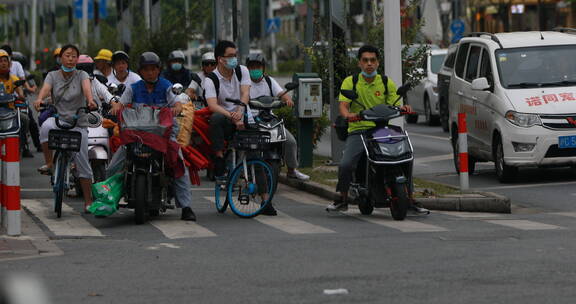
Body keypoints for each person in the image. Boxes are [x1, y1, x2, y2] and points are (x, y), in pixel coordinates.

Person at [326, 45, 418, 212]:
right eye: (365, 60)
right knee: (346, 164)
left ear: (378, 63)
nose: (369, 63)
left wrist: (405, 108)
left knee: (405, 156)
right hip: (359, 130)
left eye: (373, 60)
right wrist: (348, 115)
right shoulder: (351, 81)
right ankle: (343, 198)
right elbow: (343, 106)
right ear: (359, 63)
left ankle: (410, 198)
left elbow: (395, 104)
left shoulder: (385, 82)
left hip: (382, 130)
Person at [109, 51, 196, 221]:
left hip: (162, 135)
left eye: (153, 69)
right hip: (137, 134)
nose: (150, 72)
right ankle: (107, 199)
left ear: (159, 70)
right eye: (146, 69)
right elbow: (121, 104)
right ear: (140, 71)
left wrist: (177, 107)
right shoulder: (133, 88)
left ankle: (186, 207)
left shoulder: (166, 86)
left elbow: (176, 103)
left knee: (178, 165)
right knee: (113, 165)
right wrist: (116, 108)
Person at [33, 44, 98, 213]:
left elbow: (86, 89)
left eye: (74, 56)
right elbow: (46, 90)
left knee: (83, 162)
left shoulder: (82, 75)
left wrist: (90, 101)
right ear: (61, 58)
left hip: (78, 123)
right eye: (67, 55)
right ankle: (49, 163)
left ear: (77, 59)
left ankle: (88, 201)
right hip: (58, 119)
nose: (70, 59)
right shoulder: (52, 75)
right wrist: (39, 99)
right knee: (46, 127)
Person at [245, 53, 310, 183]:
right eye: (252, 67)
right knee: (245, 145)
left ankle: (291, 171)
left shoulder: (269, 81)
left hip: (269, 119)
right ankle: (239, 172)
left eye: (258, 66)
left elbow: (282, 94)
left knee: (290, 141)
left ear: (263, 68)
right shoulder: (243, 83)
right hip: (251, 120)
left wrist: (287, 100)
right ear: (247, 68)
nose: (255, 69)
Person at [203, 41, 250, 178]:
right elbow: (212, 105)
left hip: (243, 113)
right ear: (220, 59)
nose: (234, 58)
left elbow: (245, 93)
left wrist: (240, 113)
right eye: (230, 56)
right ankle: (219, 157)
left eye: (235, 55)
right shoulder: (211, 79)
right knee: (215, 118)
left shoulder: (242, 71)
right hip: (225, 118)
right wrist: (232, 116)